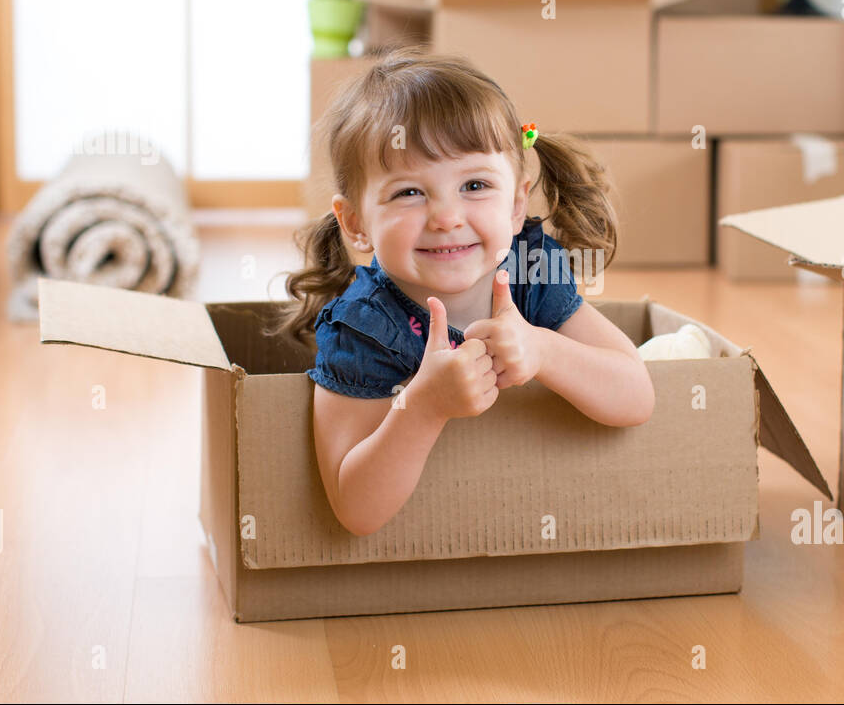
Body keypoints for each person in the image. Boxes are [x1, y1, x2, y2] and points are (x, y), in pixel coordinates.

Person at [268, 46, 655, 536]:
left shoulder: (530, 274)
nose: (446, 217)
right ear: (356, 223)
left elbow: (636, 396)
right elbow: (355, 509)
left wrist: (543, 349)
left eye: (474, 185)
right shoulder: (361, 329)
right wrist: (423, 406)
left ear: (517, 205)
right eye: (409, 192)